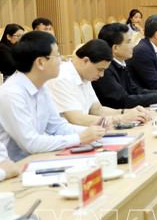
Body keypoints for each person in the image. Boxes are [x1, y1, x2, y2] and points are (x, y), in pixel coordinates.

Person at [0, 31, 104, 161]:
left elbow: (58, 127)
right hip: (14, 167)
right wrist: (80, 138)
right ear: (40, 62)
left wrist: (95, 130)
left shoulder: (41, 88)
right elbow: (31, 143)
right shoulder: (12, 94)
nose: (61, 62)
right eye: (57, 56)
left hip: (36, 159)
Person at [45, 39, 151, 126]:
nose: (102, 75)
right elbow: (77, 119)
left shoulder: (84, 75)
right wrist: (120, 118)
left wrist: (126, 112)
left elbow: (97, 109)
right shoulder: (62, 78)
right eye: (100, 69)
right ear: (85, 61)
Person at [94, 23, 157, 108]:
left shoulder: (121, 64)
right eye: (128, 42)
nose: (132, 46)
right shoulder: (104, 70)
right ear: (115, 48)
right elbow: (123, 101)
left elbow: (134, 90)